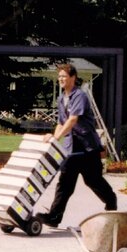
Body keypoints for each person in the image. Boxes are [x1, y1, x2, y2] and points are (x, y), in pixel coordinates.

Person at [36, 63, 117, 227]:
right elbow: (61, 123)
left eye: (64, 76)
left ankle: (111, 202)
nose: (61, 79)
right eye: (59, 77)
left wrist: (57, 135)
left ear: (73, 77)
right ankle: (54, 217)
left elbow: (73, 119)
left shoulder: (80, 96)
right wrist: (53, 137)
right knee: (64, 184)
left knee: (93, 180)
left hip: (87, 148)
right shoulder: (61, 98)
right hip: (71, 149)